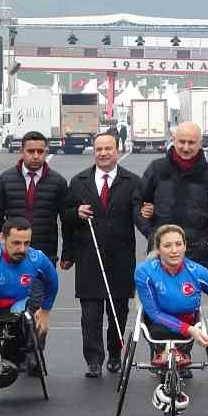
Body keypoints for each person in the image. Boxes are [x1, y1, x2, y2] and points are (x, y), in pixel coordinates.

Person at [0, 130, 69, 372]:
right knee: (12, 307)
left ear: (46, 152)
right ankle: (13, 355)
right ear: (21, 152)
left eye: (40, 151)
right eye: (30, 151)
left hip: (42, 256)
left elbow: (66, 219)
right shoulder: (4, 180)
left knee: (36, 306)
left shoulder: (57, 182)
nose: (35, 156)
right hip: (9, 258)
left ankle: (35, 355)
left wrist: (68, 254)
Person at [134, 225, 208, 401]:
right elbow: (153, 313)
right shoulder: (144, 272)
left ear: (185, 246)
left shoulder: (197, 272)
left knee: (182, 335)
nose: (174, 250)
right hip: (157, 323)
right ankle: (166, 354)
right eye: (167, 246)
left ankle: (175, 354)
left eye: (178, 244)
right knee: (159, 328)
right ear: (158, 249)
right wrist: (190, 330)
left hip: (188, 320)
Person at [65, 131, 141, 377]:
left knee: (118, 312)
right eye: (99, 149)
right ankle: (94, 360)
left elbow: (140, 217)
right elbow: (65, 218)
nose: (104, 153)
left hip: (121, 258)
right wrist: (75, 213)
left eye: (108, 148)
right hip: (89, 257)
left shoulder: (132, 181)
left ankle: (115, 355)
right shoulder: (78, 182)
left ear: (117, 150)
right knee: (91, 315)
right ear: (94, 151)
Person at [0, 218, 59, 375]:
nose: (22, 249)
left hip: (15, 306)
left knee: (27, 329)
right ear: (2, 238)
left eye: (26, 243)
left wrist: (45, 310)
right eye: (16, 243)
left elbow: (52, 282)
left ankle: (21, 356)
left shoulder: (36, 258)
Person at [134, 121, 208, 267]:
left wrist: (206, 241)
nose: (186, 147)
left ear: (200, 143)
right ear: (173, 141)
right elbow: (137, 202)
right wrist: (151, 235)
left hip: (197, 256)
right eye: (182, 142)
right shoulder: (156, 168)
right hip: (160, 253)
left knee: (191, 291)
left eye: (191, 142)